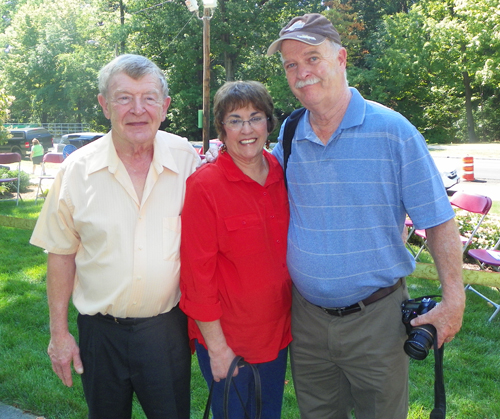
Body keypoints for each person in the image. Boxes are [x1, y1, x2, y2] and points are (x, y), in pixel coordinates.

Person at [264, 13, 466, 419]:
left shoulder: (393, 130)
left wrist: (454, 300)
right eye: (290, 64)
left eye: (312, 58)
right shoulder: (290, 133)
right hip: (306, 321)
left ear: (340, 58)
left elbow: (439, 220)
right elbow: (257, 188)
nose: (302, 72)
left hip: (376, 321)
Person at [30, 54, 200, 419]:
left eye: (149, 97)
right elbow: (60, 253)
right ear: (105, 105)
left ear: (165, 106)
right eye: (124, 97)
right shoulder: (76, 170)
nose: (137, 109)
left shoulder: (187, 159)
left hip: (166, 332)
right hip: (100, 336)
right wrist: (59, 335)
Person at [180, 81, 292, 419]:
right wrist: (217, 349)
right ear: (222, 129)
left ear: (268, 124)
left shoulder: (282, 175)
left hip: (277, 336)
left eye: (255, 117)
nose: (247, 129)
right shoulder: (204, 186)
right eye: (235, 120)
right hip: (228, 341)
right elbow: (197, 277)